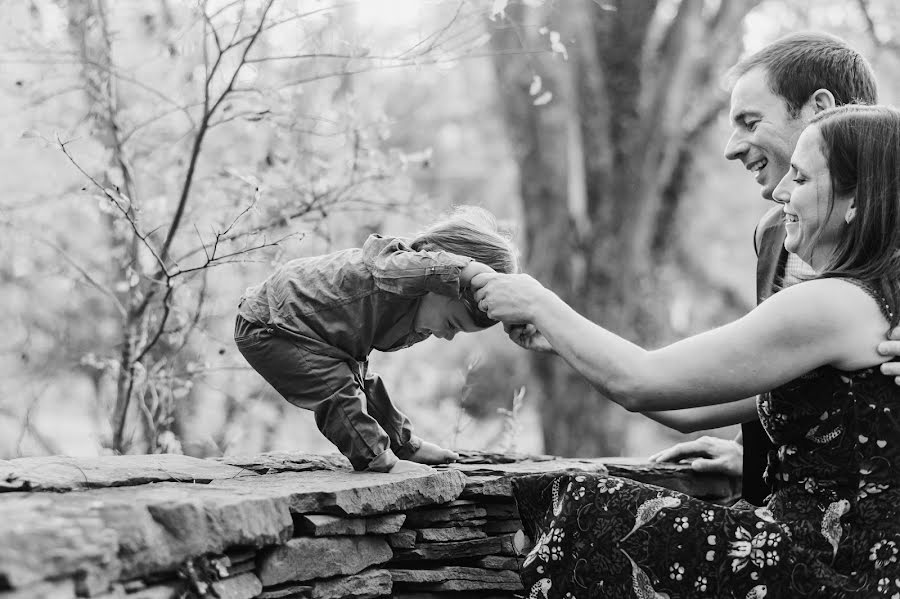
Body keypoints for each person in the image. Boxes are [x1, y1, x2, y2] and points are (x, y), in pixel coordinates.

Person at [472, 105, 900, 597]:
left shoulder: (831, 303)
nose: (781, 191)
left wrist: (536, 299)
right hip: (851, 562)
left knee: (587, 505)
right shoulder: (873, 301)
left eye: (801, 178)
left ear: (856, 201)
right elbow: (690, 406)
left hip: (834, 570)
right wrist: (562, 343)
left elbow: (640, 381)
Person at [644, 32, 889, 507]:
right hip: (779, 520)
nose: (732, 148)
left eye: (751, 122)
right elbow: (789, 370)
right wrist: (750, 454)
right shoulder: (774, 232)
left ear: (819, 107)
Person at [234, 206, 516, 474]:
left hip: (320, 337)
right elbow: (410, 267)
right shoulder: (397, 266)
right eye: (453, 324)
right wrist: (468, 272)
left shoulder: (416, 305)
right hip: (270, 325)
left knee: (365, 384)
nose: (449, 336)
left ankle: (403, 445)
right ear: (440, 280)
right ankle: (377, 460)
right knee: (335, 388)